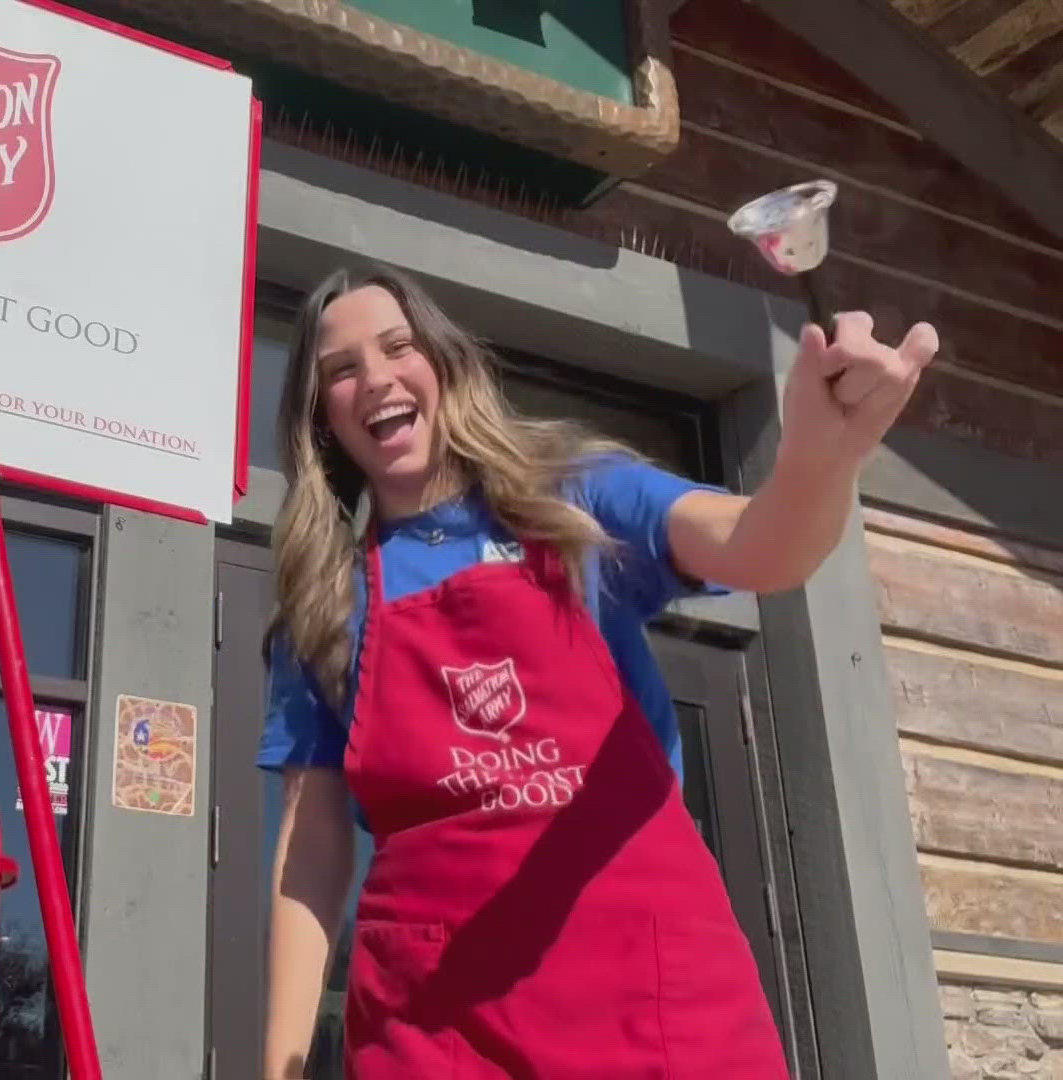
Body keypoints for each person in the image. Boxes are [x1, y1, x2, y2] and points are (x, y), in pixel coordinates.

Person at [257, 264, 939, 1078]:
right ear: (324, 418)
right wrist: (282, 1069)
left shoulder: (572, 500)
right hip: (434, 1026)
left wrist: (822, 460)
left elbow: (763, 544)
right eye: (341, 369)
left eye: (398, 347)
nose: (375, 377)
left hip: (645, 992)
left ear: (442, 366)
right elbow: (312, 848)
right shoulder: (326, 599)